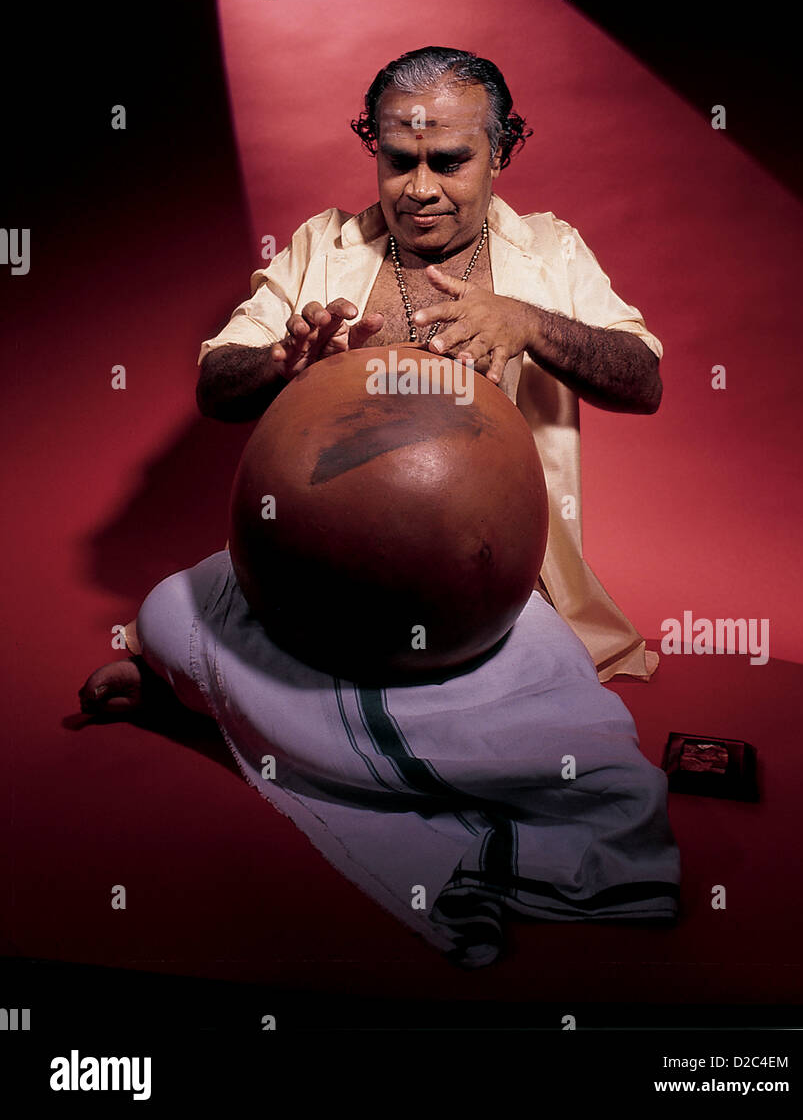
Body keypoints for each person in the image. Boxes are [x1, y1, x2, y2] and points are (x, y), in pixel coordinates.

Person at [79, 48, 679, 966]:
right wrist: (285, 360)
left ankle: (223, 708)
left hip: (499, 604)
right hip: (311, 579)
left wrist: (528, 321)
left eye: (450, 162)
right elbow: (214, 382)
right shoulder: (325, 244)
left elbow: (642, 381)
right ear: (374, 153)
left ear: (501, 152)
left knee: (594, 767)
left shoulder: (548, 252)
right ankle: (250, 704)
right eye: (400, 161)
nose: (421, 189)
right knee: (171, 608)